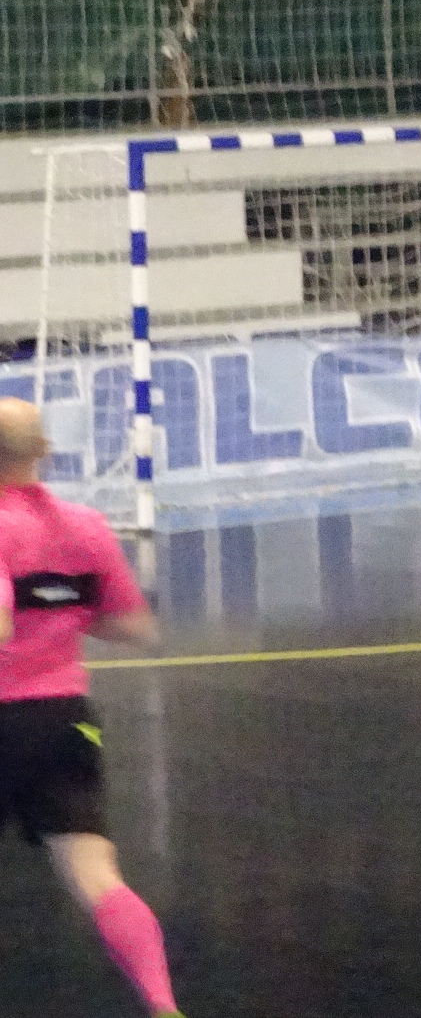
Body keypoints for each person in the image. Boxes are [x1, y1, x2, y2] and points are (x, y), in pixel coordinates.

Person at [0, 398, 184, 1018]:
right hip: (63, 719)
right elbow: (136, 628)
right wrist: (62, 609)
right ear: (44, 453)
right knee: (96, 873)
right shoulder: (86, 527)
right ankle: (162, 1003)